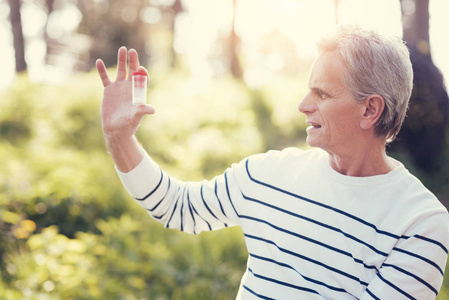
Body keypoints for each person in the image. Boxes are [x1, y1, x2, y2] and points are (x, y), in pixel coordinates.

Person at [96, 26, 449, 299]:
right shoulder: (268, 174)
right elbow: (178, 207)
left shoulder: (420, 222)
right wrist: (119, 138)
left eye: (322, 94)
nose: (303, 105)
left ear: (370, 110)